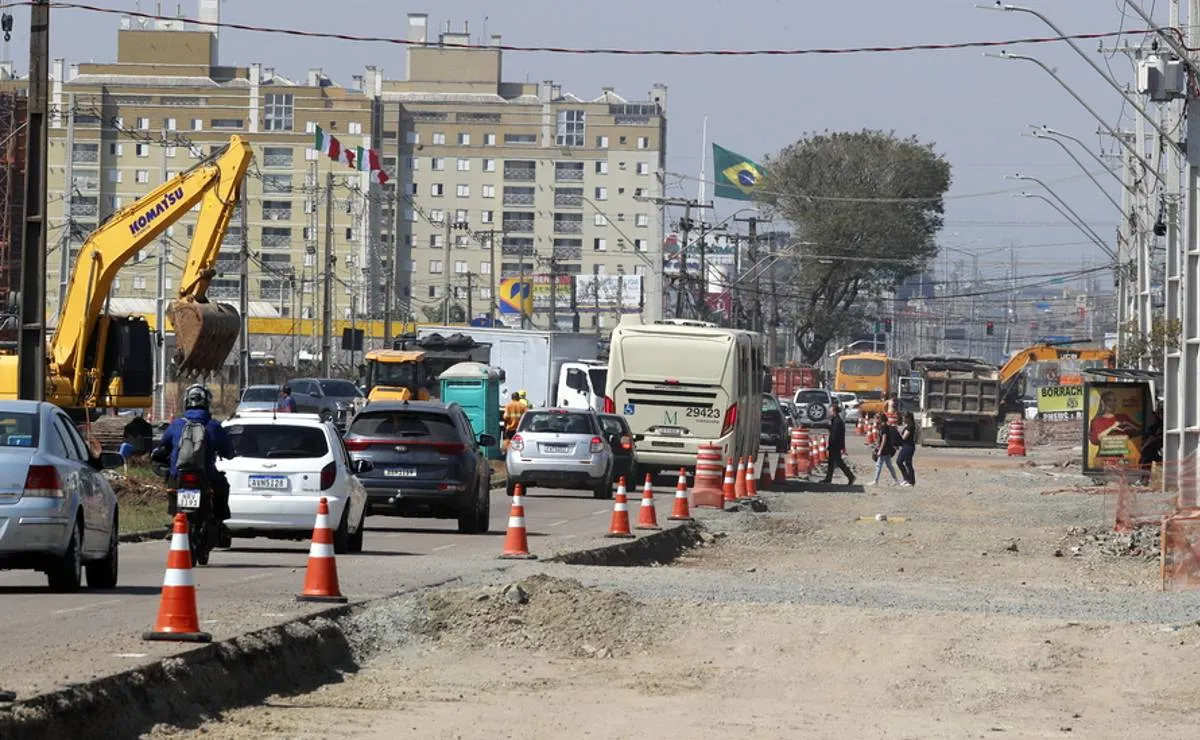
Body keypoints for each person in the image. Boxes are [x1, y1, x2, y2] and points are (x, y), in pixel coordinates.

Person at [152, 384, 235, 522]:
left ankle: (174, 517)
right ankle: (220, 520)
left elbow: (163, 446)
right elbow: (228, 451)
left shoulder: (176, 424)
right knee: (222, 486)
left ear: (186, 402)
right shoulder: (213, 426)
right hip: (206, 474)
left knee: (172, 489)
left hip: (178, 474)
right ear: (207, 403)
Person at [820, 400, 856, 486]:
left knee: (839, 462)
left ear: (834, 411)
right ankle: (828, 478)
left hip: (835, 445)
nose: (829, 412)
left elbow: (835, 435)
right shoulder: (835, 420)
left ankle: (851, 476)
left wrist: (831, 445)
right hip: (835, 445)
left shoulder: (837, 421)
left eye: (830, 411)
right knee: (831, 462)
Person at [869, 412, 900, 486]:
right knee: (889, 465)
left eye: (876, 418)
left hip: (885, 449)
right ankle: (896, 480)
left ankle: (875, 480)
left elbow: (884, 439)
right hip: (887, 448)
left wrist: (880, 450)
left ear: (880, 419)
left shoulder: (884, 427)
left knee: (879, 465)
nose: (875, 420)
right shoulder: (883, 426)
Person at [1139, 401, 1164, 484]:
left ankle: (1145, 479)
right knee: (1146, 458)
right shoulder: (1155, 423)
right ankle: (1144, 479)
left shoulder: (1161, 423)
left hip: (1158, 443)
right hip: (1152, 448)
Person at [895, 411, 917, 487]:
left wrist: (896, 438)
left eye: (904, 418)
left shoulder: (911, 426)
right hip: (905, 446)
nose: (903, 419)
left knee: (908, 463)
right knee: (899, 462)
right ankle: (906, 479)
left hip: (909, 447)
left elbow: (904, 437)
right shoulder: (908, 425)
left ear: (908, 418)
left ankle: (911, 481)